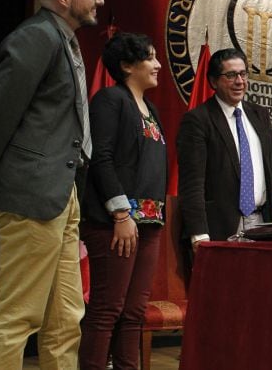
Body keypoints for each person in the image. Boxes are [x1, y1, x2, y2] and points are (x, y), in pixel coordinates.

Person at [0, 0, 104, 368]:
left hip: (62, 194)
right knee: (18, 316)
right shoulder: (36, 37)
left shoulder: (64, 38)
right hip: (32, 194)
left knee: (65, 319)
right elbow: (0, 112)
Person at [177, 48, 272, 250]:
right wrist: (198, 233)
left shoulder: (259, 114)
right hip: (219, 227)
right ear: (213, 81)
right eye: (231, 75)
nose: (240, 81)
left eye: (243, 74)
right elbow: (192, 183)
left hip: (262, 222)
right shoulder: (198, 120)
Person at [78, 33, 166, 369]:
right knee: (107, 309)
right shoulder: (110, 99)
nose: (158, 65)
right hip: (115, 223)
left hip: (150, 222)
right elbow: (100, 157)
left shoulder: (152, 108)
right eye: (150, 58)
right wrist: (120, 213)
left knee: (133, 312)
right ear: (128, 65)